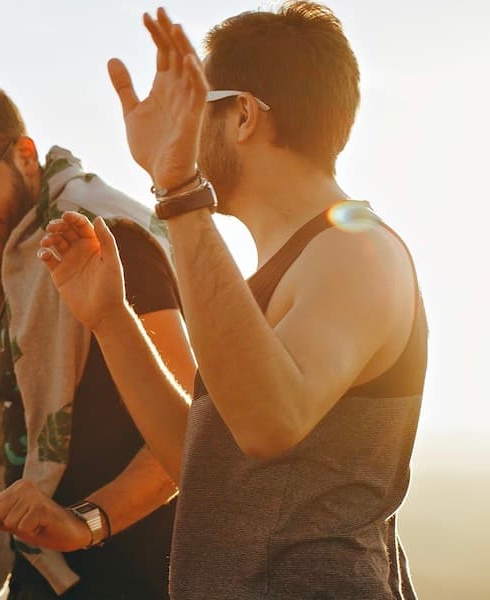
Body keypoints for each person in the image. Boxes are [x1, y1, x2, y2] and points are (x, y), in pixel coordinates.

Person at [24, 4, 425, 598]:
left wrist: (178, 188)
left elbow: (269, 422)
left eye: (196, 108)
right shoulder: (287, 267)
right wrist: (111, 318)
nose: (181, 129)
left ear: (241, 115)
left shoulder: (356, 251)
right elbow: (211, 463)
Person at [0, 82, 195, 599]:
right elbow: (70, 369)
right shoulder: (25, 257)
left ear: (23, 155)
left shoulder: (107, 238)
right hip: (48, 571)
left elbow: (192, 431)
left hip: (127, 574)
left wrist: (85, 522)